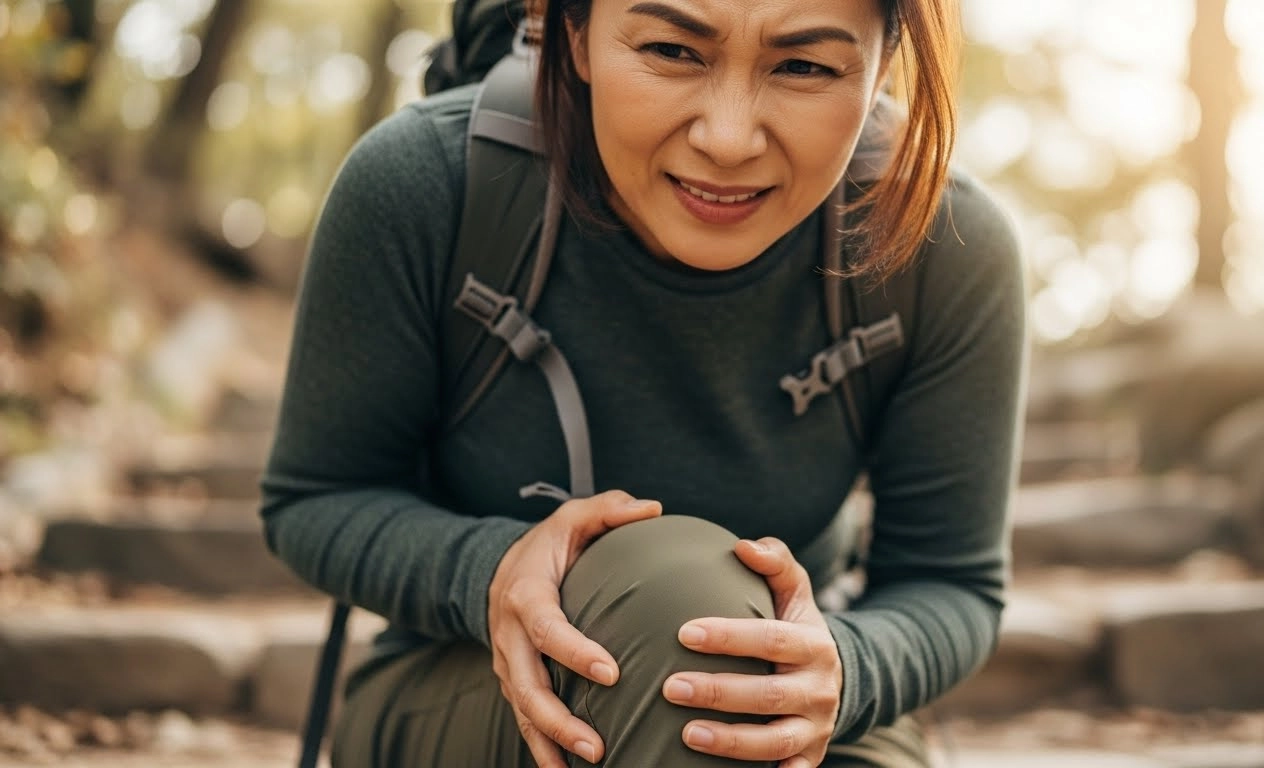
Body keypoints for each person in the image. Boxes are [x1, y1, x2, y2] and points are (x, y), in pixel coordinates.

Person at [260, 0, 1026, 765]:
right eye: (671, 50)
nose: (727, 139)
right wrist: (488, 568)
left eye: (802, 66)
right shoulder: (429, 183)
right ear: (573, 34)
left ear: (882, 66)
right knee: (680, 613)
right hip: (468, 689)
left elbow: (948, 581)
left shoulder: (940, 248)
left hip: (801, 721)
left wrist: (847, 669)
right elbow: (317, 498)